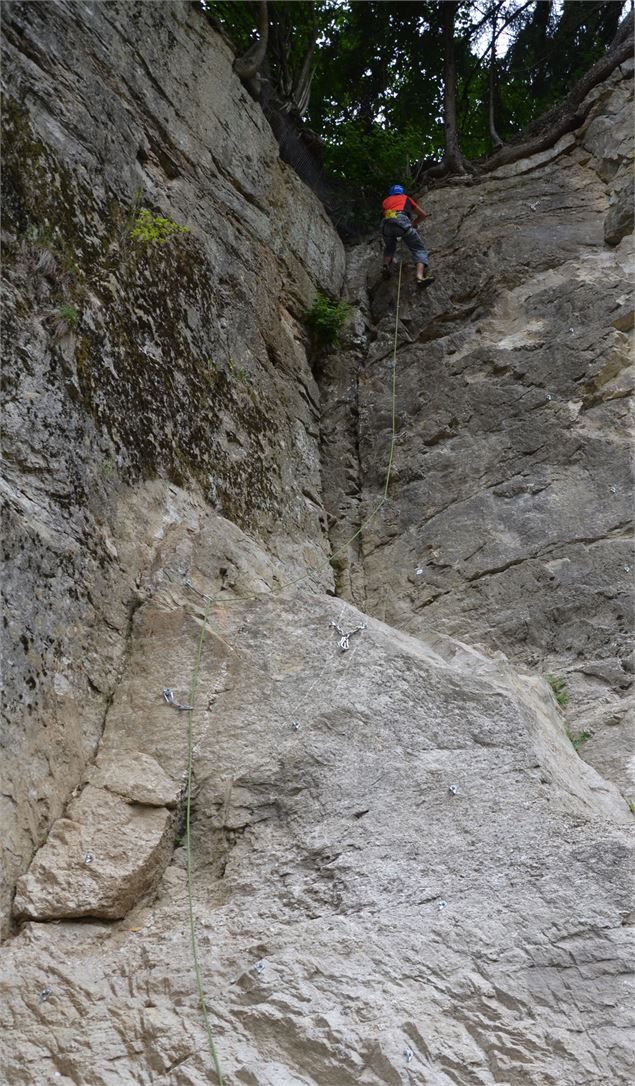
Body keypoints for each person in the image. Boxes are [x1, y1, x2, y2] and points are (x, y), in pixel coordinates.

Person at [381, 185, 434, 285]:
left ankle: (385, 265)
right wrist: (412, 225)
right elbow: (423, 214)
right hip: (401, 221)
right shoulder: (406, 198)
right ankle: (419, 277)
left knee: (390, 247)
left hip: (385, 224)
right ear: (402, 192)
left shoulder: (385, 201)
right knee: (419, 249)